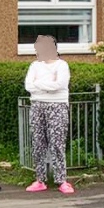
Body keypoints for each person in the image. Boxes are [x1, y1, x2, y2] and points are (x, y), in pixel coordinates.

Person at [24, 34, 74, 195]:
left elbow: (60, 84)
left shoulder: (62, 65)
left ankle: (62, 180)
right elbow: (29, 86)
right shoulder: (34, 66)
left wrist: (39, 83)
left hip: (57, 106)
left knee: (57, 143)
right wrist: (48, 84)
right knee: (38, 143)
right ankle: (40, 179)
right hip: (38, 105)